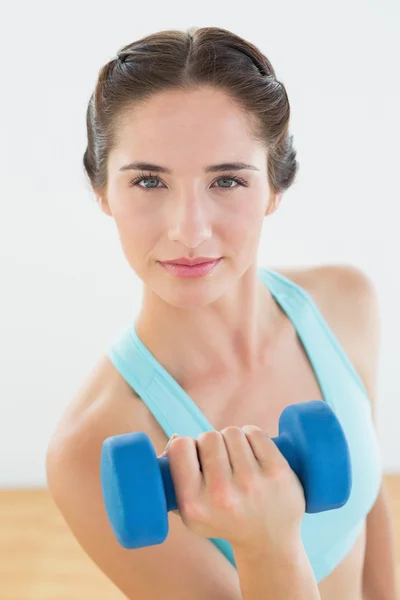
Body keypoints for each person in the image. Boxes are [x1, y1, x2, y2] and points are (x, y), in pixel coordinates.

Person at [46, 26, 398, 600]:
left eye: (228, 179)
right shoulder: (91, 449)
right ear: (103, 191)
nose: (189, 231)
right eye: (149, 181)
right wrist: (266, 545)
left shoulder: (344, 303)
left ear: (275, 189)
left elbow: (370, 505)